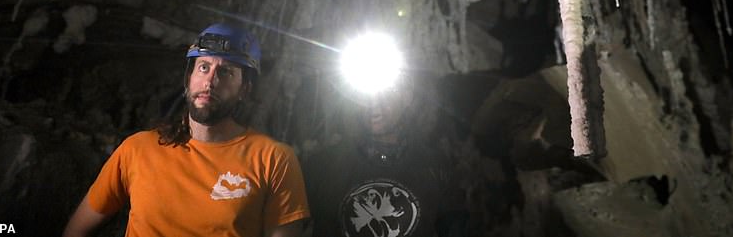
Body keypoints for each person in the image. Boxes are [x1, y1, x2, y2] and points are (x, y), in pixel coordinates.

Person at [62, 22, 310, 237]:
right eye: (204, 67)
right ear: (189, 77)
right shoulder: (137, 149)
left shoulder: (274, 160)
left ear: (244, 88)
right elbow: (76, 230)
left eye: (225, 72)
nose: (210, 80)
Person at [303, 70, 467, 237]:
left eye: (386, 93)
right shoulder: (323, 165)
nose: (373, 103)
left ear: (406, 97)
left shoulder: (436, 167)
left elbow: (453, 228)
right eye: (365, 93)